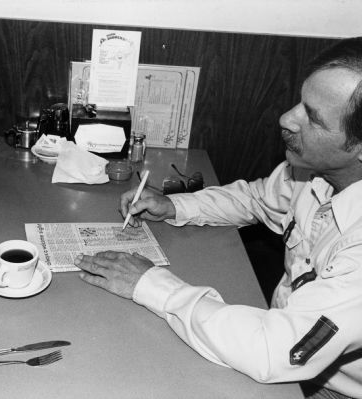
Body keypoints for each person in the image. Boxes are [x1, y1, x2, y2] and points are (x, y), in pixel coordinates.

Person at [75, 37, 362, 399]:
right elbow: (256, 198)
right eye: (299, 103)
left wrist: (149, 283)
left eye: (314, 118)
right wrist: (176, 206)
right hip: (287, 348)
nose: (287, 119)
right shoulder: (314, 173)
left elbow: (273, 350)